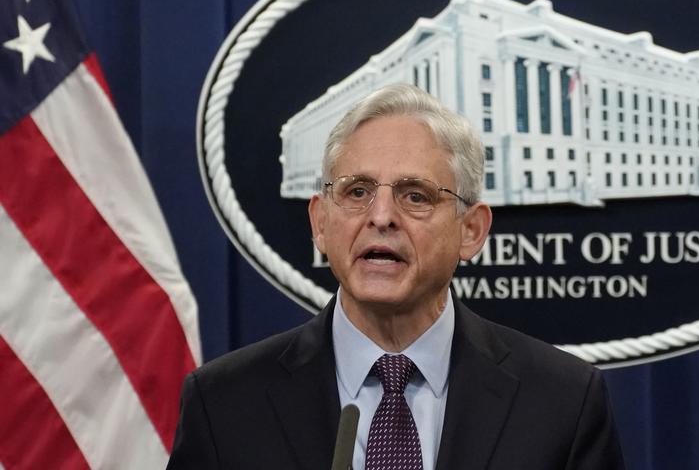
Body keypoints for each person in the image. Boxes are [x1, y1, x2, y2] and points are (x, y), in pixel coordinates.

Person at [167, 83, 624, 469]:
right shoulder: (224, 403)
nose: (381, 216)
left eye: (416, 195)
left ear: (471, 230)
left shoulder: (563, 401)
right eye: (357, 191)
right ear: (321, 223)